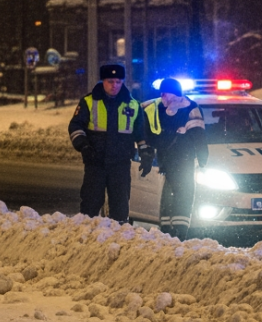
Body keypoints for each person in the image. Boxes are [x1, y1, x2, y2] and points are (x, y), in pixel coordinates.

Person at [68, 63, 146, 222]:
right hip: (95, 162)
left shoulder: (133, 105)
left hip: (120, 164)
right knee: (90, 204)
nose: (114, 85)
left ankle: (119, 235)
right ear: (103, 81)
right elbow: (75, 126)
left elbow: (141, 133)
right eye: (110, 81)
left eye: (118, 82)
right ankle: (86, 233)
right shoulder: (88, 102)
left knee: (120, 206)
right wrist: (83, 146)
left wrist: (145, 153)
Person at [139, 78, 208, 240]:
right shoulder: (153, 107)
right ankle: (174, 231)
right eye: (162, 93)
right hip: (174, 158)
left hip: (177, 158)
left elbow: (198, 134)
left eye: (167, 93)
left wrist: (202, 155)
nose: (164, 96)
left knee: (175, 192)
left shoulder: (189, 108)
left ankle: (174, 230)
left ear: (176, 94)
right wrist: (146, 154)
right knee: (181, 193)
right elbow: (143, 132)